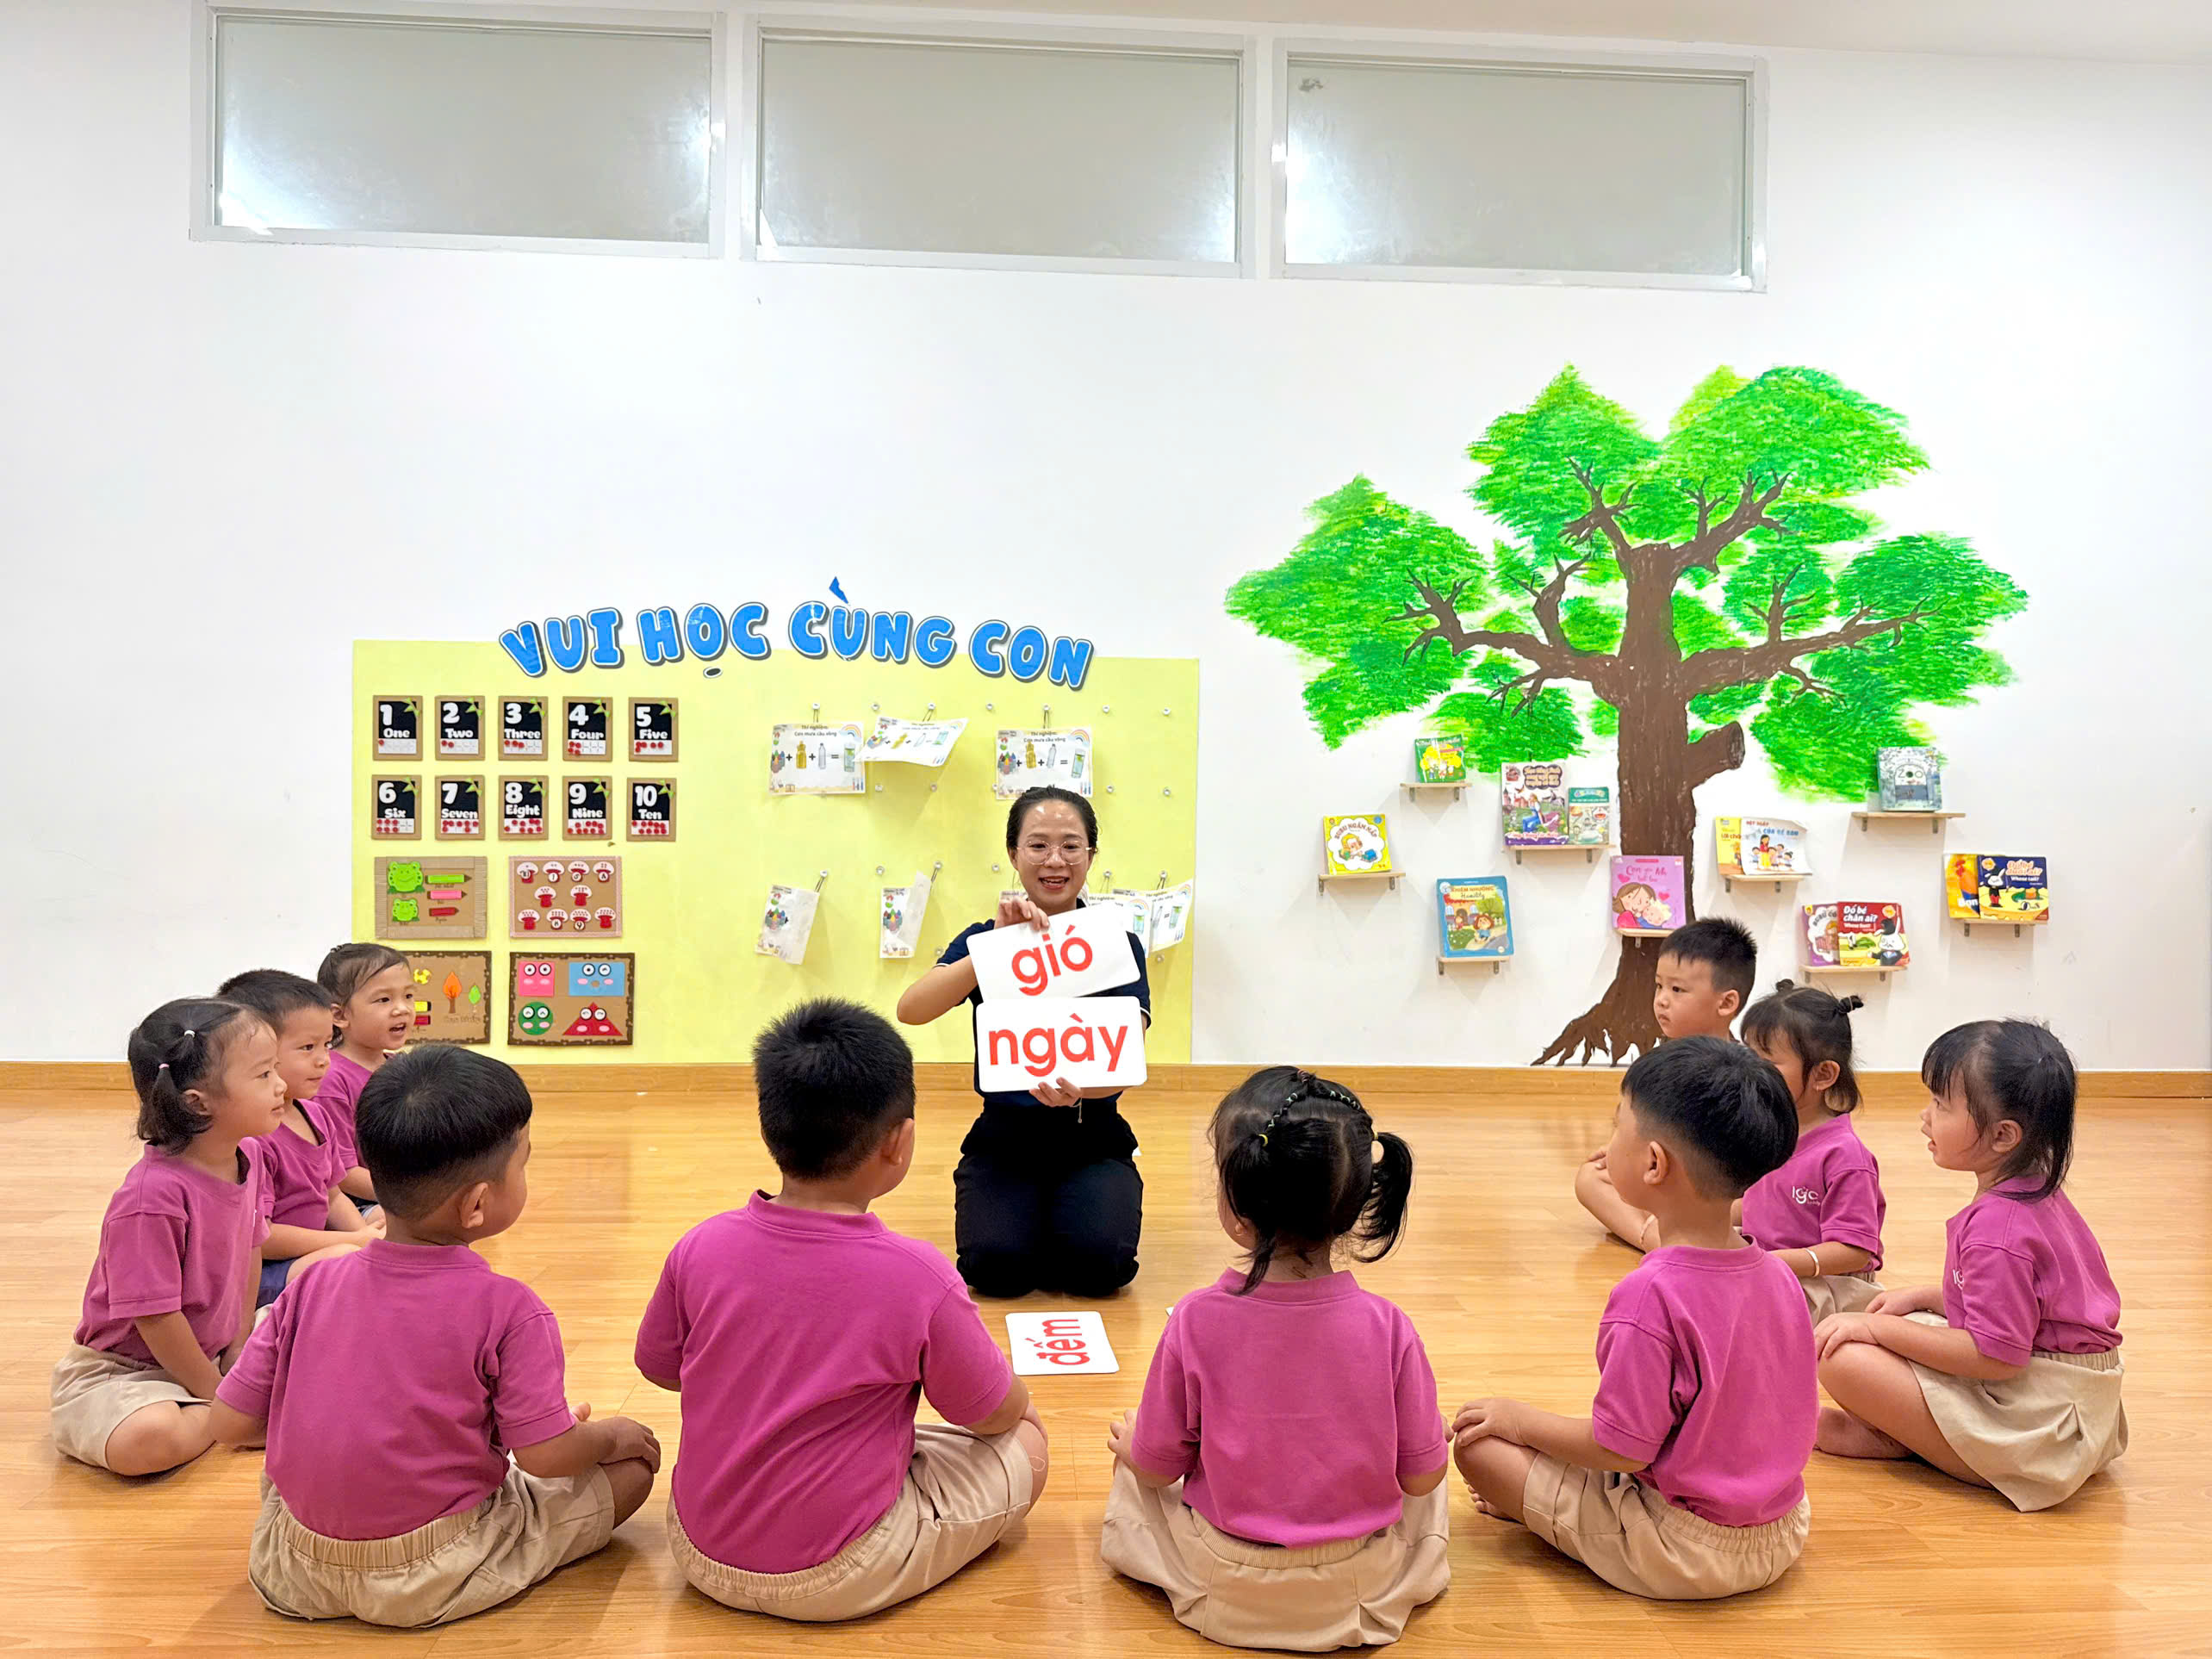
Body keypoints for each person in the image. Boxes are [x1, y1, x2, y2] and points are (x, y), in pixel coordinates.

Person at [209, 1045, 658, 1627]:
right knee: (631, 1473)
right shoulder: (511, 1308)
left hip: (290, 1566)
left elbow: (228, 1424)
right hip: (435, 1569)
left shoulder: (311, 1283)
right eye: (522, 1164)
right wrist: (607, 1436)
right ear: (477, 1204)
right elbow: (546, 1458)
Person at [638, 999, 1047, 1622]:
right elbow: (990, 1414)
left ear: (770, 1129)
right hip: (841, 1572)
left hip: (697, 1550)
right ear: (899, 1143)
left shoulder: (700, 1245)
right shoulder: (919, 1274)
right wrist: (1021, 1405)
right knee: (1027, 1440)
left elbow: (661, 1368)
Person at [1455, 1038, 1815, 1600]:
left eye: (1616, 1126)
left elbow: (1622, 1450)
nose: (1606, 1146)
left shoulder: (1650, 1293)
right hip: (1784, 1527)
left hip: (1683, 1549)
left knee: (1477, 1444)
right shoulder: (1779, 1274)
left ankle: (1548, 1516)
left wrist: (1518, 1420)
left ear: (1653, 1163)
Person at [1101, 1067, 1447, 1650]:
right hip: (1360, 1583)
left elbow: (1160, 1470)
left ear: (1237, 1206)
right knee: (1431, 1465)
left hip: (1225, 1580)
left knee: (1133, 1464)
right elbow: (1422, 1478)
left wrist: (1135, 1447)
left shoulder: (1195, 1319)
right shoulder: (1391, 1327)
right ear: (1355, 1203)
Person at [1812, 1021, 2127, 1511]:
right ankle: (1914, 1431)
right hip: (2064, 1392)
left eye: (1941, 1105)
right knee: (1892, 1319)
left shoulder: (1999, 1230)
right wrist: (1925, 1297)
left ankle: (1927, 1443)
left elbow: (1996, 1357)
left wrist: (1876, 1331)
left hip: (2040, 1420)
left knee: (1842, 1354)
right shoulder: (2033, 1189)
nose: (1925, 1117)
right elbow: (2027, 1308)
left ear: (2003, 1135)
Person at [896, 786, 1150, 1298]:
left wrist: (1080, 1092)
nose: (1055, 860)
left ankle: (1069, 1218)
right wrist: (995, 949)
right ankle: (1033, 1224)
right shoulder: (984, 938)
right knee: (995, 1270)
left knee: (1099, 1270)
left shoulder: (1117, 944)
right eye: (1038, 845)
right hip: (1004, 1139)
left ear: (1090, 856)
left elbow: (1125, 1061)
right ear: (1014, 854)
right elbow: (912, 1009)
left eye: (1071, 845)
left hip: (1093, 1135)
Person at [50, 997, 280, 1476]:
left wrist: (238, 1351)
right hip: (125, 1374)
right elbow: (156, 1319)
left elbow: (251, 1250)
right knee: (148, 1439)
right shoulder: (150, 1197)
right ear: (197, 1102)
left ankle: (224, 1411)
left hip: (213, 1353)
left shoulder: (251, 1154)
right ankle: (227, 1419)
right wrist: (224, 1400)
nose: (281, 1085)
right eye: (263, 1075)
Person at [1574, 916, 1758, 1251]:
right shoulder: (1658, 1065)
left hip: (1719, 1193)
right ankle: (1654, 1237)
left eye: (1677, 990)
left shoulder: (1742, 1073)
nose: (1661, 999)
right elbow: (1637, 1126)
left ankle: (1669, 1235)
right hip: (1663, 1180)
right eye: (1659, 986)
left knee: (1754, 1204)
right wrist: (1620, 1150)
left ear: (1727, 1003)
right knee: (1591, 1178)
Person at [217, 970, 382, 1306]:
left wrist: (364, 1236)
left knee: (394, 1227)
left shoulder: (315, 1114)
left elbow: (332, 1197)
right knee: (345, 1259)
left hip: (315, 1249)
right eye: (307, 1047)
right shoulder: (253, 1137)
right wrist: (354, 1241)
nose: (323, 1060)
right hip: (265, 1273)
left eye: (327, 1044)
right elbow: (262, 1239)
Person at [1738, 981, 1886, 1320]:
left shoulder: (1846, 1157)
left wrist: (1772, 1263)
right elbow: (1757, 1202)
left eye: (1767, 1063)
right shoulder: (1768, 1129)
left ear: (1823, 1075)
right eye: (1747, 1056)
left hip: (1825, 1286)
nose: (1748, 1072)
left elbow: (1853, 1250)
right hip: (1770, 1264)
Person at [313, 941, 415, 1207]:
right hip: (358, 1203)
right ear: (339, 1015)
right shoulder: (331, 1079)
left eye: (408, 996)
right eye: (384, 1000)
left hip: (401, 1191)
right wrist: (413, 1198)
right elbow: (344, 1174)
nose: (402, 1009)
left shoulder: (402, 1066)